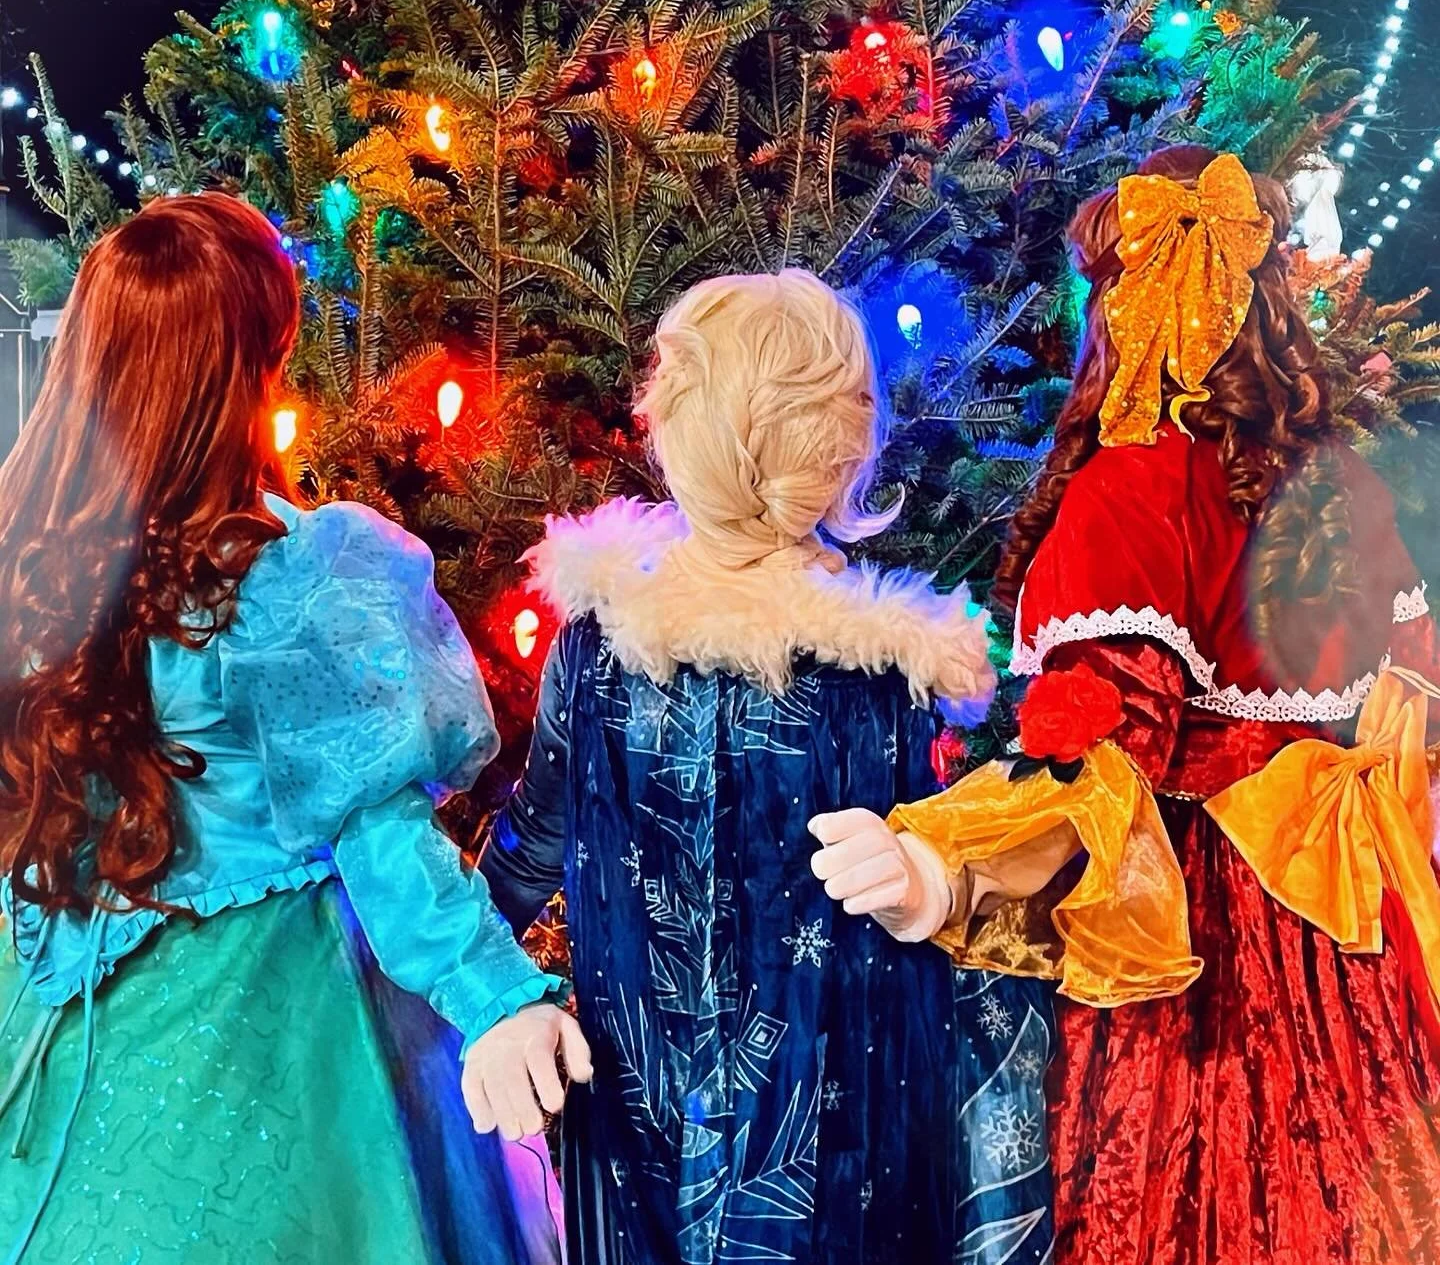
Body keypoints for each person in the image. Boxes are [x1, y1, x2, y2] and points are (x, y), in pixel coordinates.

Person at [813, 146, 1440, 1264]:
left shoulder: (1131, 493)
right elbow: (1413, 707)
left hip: (1197, 937)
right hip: (1358, 917)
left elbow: (1095, 759)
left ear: (1130, 298)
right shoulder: (1342, 478)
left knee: (1190, 1201)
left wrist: (944, 862)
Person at [0, 192, 590, 1263]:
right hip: (270, 1037)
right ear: (247, 368)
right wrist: (498, 996)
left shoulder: (29, 558)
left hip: (57, 1008)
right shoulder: (300, 575)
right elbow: (378, 831)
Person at [479, 269, 1055, 1265]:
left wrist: (474, 983)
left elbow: (527, 849)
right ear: (842, 449)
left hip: (664, 1117)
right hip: (827, 1132)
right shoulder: (883, 668)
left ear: (673, 424)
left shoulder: (607, 641)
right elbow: (973, 885)